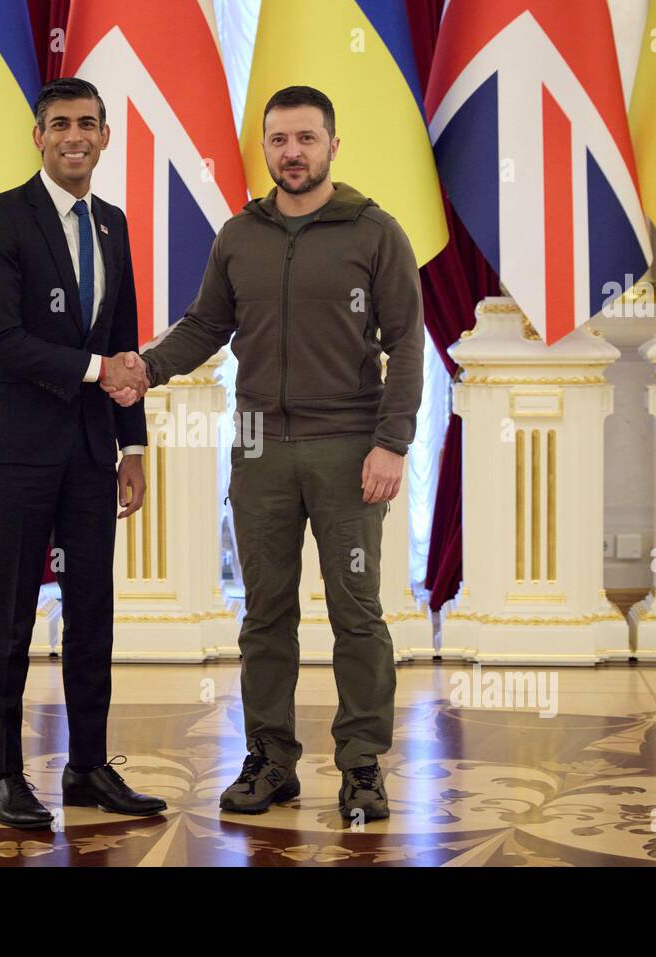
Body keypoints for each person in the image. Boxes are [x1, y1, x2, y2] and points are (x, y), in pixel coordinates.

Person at [112, 85, 424, 821]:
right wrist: (145, 370)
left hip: (350, 449)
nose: (292, 153)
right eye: (279, 140)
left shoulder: (376, 233)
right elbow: (204, 326)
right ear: (266, 147)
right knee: (264, 613)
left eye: (306, 139)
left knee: (357, 611)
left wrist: (392, 443)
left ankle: (361, 766)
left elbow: (407, 344)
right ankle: (270, 759)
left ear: (332, 147)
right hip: (258, 448)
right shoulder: (238, 236)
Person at [0, 77, 165, 828]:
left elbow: (124, 341)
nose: (74, 136)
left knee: (92, 612)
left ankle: (87, 766)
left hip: (90, 453)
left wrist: (133, 444)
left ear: (105, 136)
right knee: (10, 613)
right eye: (59, 125)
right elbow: (2, 342)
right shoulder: (0, 218)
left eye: (87, 123)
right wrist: (95, 371)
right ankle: (4, 772)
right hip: (16, 447)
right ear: (38, 137)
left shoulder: (111, 223)